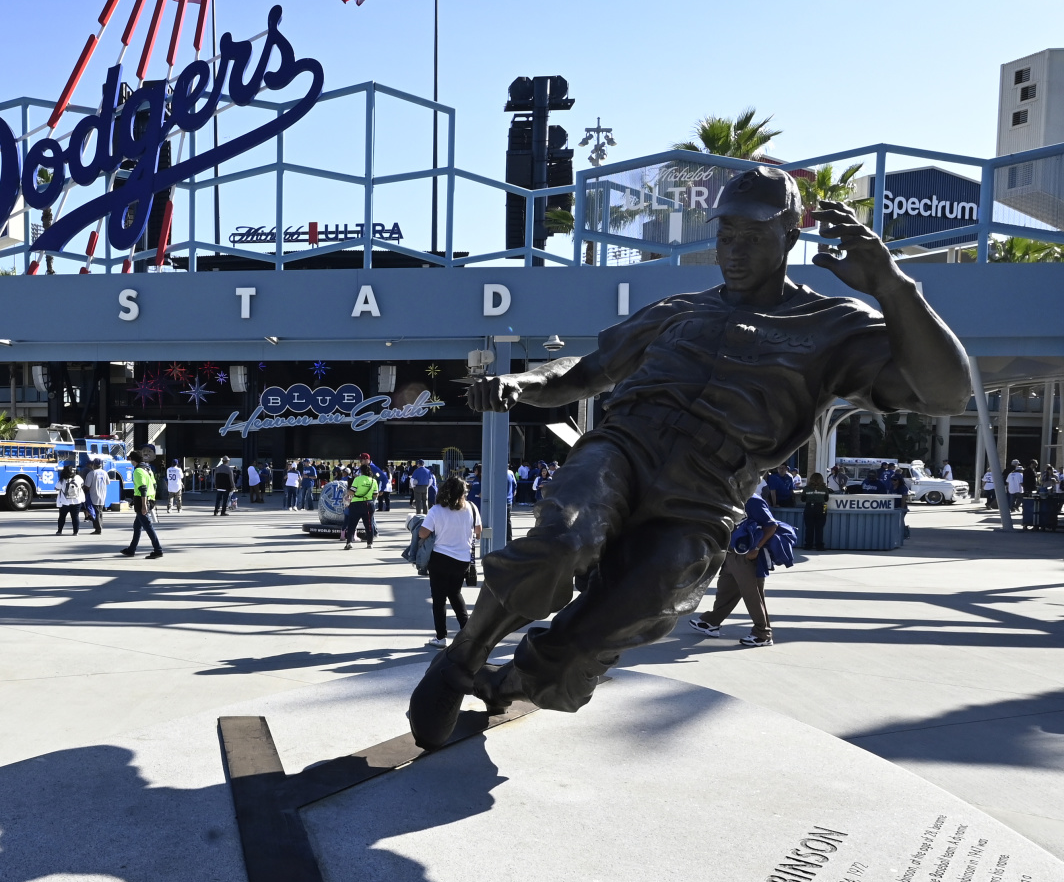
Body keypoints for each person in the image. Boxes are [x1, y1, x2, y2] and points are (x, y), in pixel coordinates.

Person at [409, 164, 971, 747]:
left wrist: (892, 285)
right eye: (726, 235)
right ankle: (461, 661)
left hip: (704, 496)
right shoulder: (679, 309)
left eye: (752, 237)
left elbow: (945, 392)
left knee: (625, 616)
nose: (734, 250)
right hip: (625, 447)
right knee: (564, 540)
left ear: (790, 236)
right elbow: (585, 372)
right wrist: (521, 382)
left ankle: (511, 687)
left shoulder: (832, 327)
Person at [689, 492, 792, 647]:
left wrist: (756, 549)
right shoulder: (733, 498)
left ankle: (762, 634)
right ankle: (711, 622)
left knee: (752, 595)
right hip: (731, 554)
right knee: (725, 590)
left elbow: (771, 526)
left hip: (747, 556)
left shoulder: (753, 500)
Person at [418, 473, 481, 648]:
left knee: (439, 599)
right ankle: (467, 633)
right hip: (462, 559)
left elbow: (423, 533)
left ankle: (441, 637)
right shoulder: (472, 508)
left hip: (440, 558)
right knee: (455, 593)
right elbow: (478, 531)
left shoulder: (437, 510)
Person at [120, 449, 164, 559]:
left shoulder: (138, 471)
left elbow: (143, 488)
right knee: (137, 526)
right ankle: (131, 549)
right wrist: (151, 499)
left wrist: (144, 505)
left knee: (148, 526)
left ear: (133, 460)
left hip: (142, 501)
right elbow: (154, 485)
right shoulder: (148, 469)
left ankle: (158, 550)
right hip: (149, 499)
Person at [342, 461, 380, 549]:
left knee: (352, 524)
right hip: (368, 504)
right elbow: (375, 494)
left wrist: (348, 493)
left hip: (356, 504)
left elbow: (351, 491)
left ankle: (349, 543)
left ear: (361, 471)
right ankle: (369, 543)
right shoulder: (373, 481)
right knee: (369, 524)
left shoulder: (357, 479)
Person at [799, 471, 830, 550]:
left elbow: (803, 499)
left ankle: (808, 545)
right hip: (823, 507)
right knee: (820, 527)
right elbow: (826, 499)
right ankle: (819, 545)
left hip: (810, 507)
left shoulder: (806, 488)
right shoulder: (824, 488)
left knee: (809, 527)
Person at [56, 463, 85, 535]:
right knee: (75, 516)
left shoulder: (62, 480)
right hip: (77, 501)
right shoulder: (78, 477)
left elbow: (56, 488)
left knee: (62, 517)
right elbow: (82, 484)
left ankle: (59, 531)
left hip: (64, 502)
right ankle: (75, 532)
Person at [84, 457, 109, 535]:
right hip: (103, 494)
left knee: (95, 512)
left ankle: (98, 529)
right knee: (100, 512)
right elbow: (108, 482)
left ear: (93, 464)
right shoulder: (105, 473)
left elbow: (87, 485)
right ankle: (100, 526)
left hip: (94, 494)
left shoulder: (92, 473)